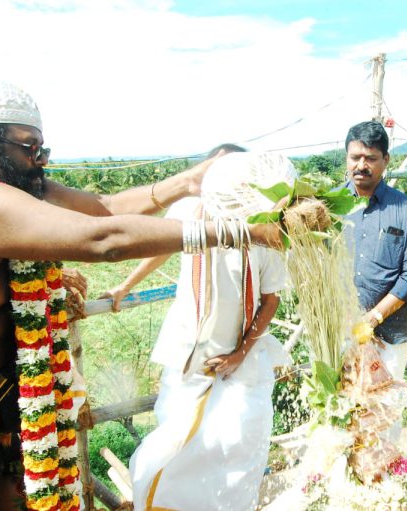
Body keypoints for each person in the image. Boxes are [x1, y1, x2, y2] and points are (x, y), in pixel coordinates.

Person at [0, 83, 281, 511]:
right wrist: (238, 232)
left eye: (43, 149)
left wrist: (188, 182)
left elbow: (107, 208)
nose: (40, 161)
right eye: (29, 148)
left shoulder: (21, 187)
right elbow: (103, 239)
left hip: (1, 392)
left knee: (13, 499)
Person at [112, 144, 289, 511]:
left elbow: (270, 297)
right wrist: (125, 286)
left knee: (239, 440)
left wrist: (241, 352)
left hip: (242, 358)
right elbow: (160, 247)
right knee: (174, 444)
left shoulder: (265, 224)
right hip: (187, 352)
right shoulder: (189, 210)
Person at [343, 120, 407, 384]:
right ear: (347, 157)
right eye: (355, 157)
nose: (361, 165)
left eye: (371, 158)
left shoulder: (406, 208)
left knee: (382, 414)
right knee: (334, 410)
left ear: (386, 160)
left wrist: (373, 318)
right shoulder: (328, 207)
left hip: (389, 335)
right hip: (337, 329)